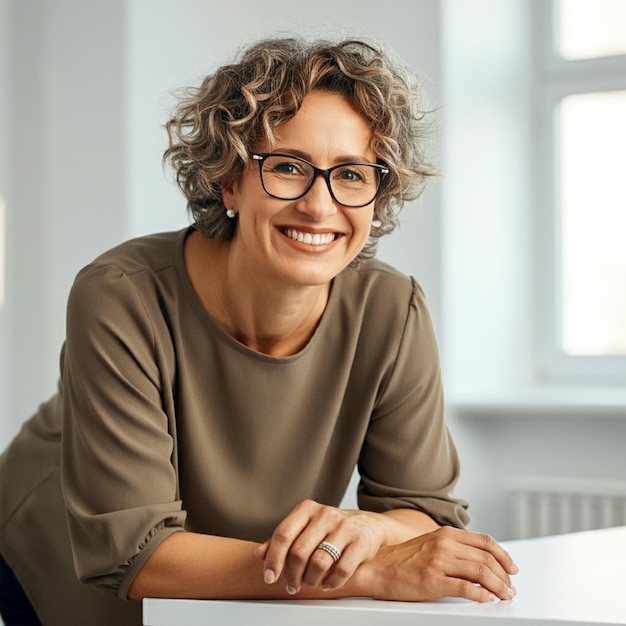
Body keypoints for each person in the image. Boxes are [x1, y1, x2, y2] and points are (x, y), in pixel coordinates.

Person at [0, 36, 518, 626]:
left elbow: (424, 514)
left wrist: (367, 526)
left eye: (351, 174)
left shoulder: (391, 310)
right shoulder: (121, 295)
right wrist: (371, 569)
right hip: (66, 552)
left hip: (246, 568)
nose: (320, 207)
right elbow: (133, 552)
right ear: (228, 181)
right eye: (289, 168)